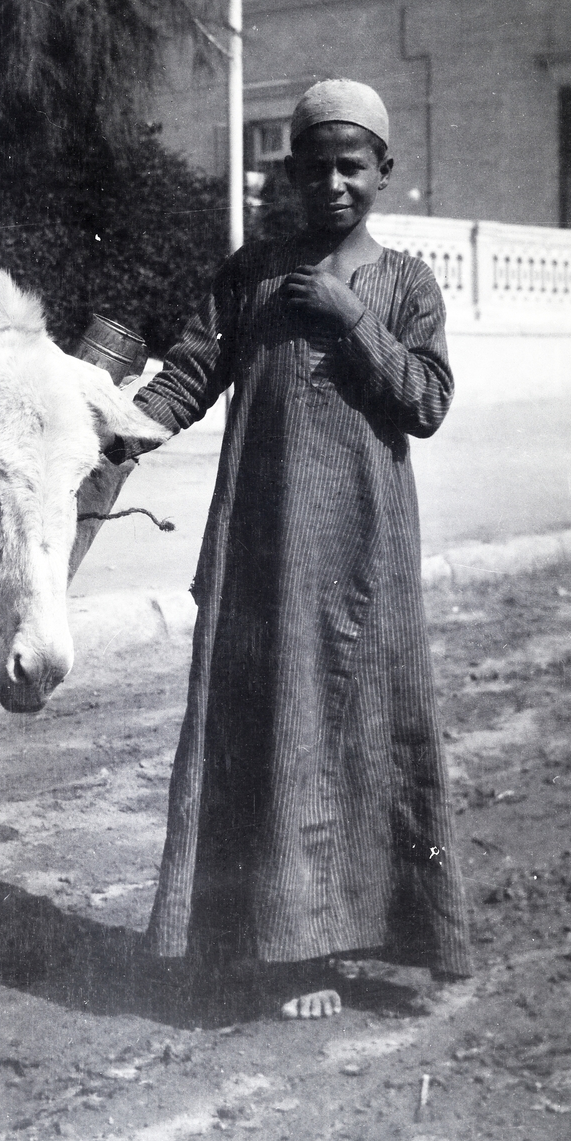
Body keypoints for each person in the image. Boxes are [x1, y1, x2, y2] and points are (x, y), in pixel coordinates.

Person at [128, 78, 472, 1019]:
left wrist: (348, 315)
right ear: (289, 170)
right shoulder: (248, 276)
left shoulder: (404, 283)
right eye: (314, 165)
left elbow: (427, 404)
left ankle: (395, 938)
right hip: (261, 549)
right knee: (265, 726)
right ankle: (282, 949)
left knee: (371, 732)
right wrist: (119, 425)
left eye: (349, 166)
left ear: (383, 173)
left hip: (363, 554)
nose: (331, 184)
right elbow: (189, 377)